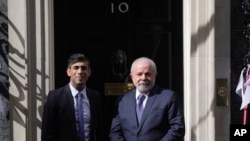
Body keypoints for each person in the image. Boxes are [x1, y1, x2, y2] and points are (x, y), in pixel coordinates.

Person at [109, 57, 185, 141]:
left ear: (155, 76)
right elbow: (115, 132)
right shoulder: (122, 100)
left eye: (148, 74)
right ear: (132, 76)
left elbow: (177, 128)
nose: (143, 78)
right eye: (139, 74)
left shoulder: (168, 97)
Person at [41, 53, 103, 141]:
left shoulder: (95, 97)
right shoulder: (55, 97)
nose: (80, 71)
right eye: (76, 67)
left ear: (89, 72)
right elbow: (48, 134)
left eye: (84, 68)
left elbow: (98, 130)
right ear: (68, 72)